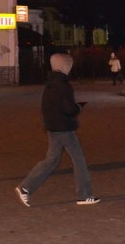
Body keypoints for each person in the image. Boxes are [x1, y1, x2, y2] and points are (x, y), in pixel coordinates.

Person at [15, 53, 99, 206]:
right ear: (65, 67)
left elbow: (47, 107)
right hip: (64, 127)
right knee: (78, 160)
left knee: (51, 161)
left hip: (53, 127)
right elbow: (68, 108)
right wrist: (78, 107)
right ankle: (84, 195)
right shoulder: (63, 85)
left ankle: (25, 187)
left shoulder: (50, 84)